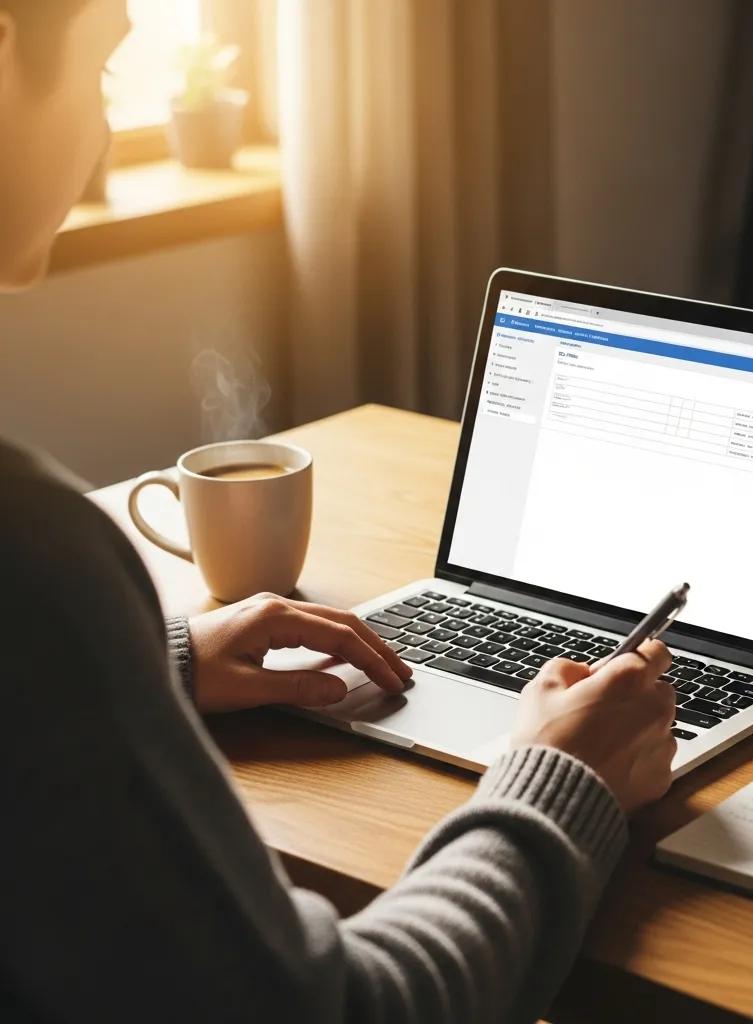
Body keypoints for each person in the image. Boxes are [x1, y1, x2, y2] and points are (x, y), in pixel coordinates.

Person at [0, 2, 677, 1021]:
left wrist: (154, 665)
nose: (100, 130)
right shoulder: (30, 558)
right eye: (100, 74)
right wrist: (558, 777)